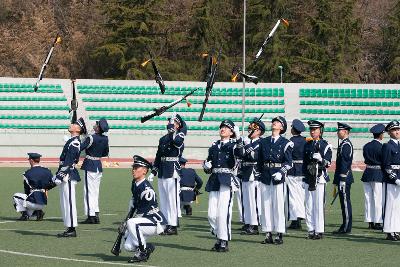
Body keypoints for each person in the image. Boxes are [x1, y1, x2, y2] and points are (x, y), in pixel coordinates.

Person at [203, 119, 240, 252]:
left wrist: (239, 138)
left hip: (226, 180)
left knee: (224, 212)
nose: (222, 129)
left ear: (231, 132)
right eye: (222, 127)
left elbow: (241, 154)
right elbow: (209, 163)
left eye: (226, 127)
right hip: (214, 180)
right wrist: (206, 165)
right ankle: (219, 235)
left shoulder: (234, 145)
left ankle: (223, 241)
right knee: (212, 214)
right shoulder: (214, 146)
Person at [147, 113, 187, 235]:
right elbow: (158, 156)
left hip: (172, 169)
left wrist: (172, 132)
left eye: (173, 121)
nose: (169, 123)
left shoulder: (179, 136)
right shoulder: (163, 138)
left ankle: (173, 225)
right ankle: (164, 223)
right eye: (169, 121)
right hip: (163, 169)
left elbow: (176, 143)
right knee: (163, 199)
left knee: (172, 199)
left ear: (178, 125)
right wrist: (154, 171)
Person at [123, 155, 167, 263]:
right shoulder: (135, 183)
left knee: (132, 223)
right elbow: (134, 206)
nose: (133, 170)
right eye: (133, 168)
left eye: (136, 168)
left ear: (144, 171)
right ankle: (147, 247)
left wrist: (126, 223)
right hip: (146, 221)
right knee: (128, 246)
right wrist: (125, 222)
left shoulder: (146, 189)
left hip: (155, 221)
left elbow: (142, 212)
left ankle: (142, 252)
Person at [258, 116, 293, 245]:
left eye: (277, 122)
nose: (274, 123)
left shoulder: (286, 143)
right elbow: (260, 161)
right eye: (274, 122)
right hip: (265, 176)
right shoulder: (264, 141)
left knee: (278, 206)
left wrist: (281, 172)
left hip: (278, 176)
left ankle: (279, 233)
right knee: (266, 205)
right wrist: (259, 175)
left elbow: (289, 163)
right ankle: (267, 233)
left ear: (282, 127)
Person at [54, 117, 86, 238]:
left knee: (70, 202)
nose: (71, 125)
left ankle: (72, 228)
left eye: (74, 124)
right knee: (65, 202)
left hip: (68, 174)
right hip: (65, 173)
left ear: (78, 129)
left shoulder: (75, 142)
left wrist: (60, 175)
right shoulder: (72, 141)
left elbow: (69, 161)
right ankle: (69, 227)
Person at [303, 120, 332, 239]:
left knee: (319, 205)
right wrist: (303, 177)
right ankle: (310, 229)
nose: (312, 131)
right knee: (309, 205)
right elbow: (305, 162)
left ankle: (319, 230)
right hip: (309, 177)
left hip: (319, 178)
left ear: (320, 131)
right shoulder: (307, 144)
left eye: (315, 129)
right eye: (311, 129)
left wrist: (321, 160)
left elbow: (328, 163)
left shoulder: (326, 145)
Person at [235, 117, 265, 235]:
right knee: (246, 200)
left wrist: (244, 144)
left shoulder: (261, 142)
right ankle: (248, 222)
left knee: (255, 200)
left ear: (259, 131)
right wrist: (239, 141)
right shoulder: (247, 141)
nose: (250, 129)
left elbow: (253, 156)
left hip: (255, 173)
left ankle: (255, 225)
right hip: (245, 172)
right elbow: (239, 154)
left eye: (253, 127)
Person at [80, 118, 110, 224]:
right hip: (98, 165)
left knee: (88, 191)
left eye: (96, 125)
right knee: (95, 192)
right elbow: (105, 153)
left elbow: (80, 147)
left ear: (98, 128)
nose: (95, 126)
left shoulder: (91, 138)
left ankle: (91, 215)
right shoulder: (106, 139)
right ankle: (95, 213)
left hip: (90, 165)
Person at [12, 153, 54, 221]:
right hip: (43, 202)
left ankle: (25, 215)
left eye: (29, 159)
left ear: (31, 160)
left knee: (16, 196)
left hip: (33, 201)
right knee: (30, 202)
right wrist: (45, 189)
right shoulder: (47, 170)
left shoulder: (27, 173)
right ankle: (38, 212)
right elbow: (52, 183)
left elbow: (27, 190)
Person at [361, 123, 385, 230]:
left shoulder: (366, 146)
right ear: (381, 135)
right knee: (378, 198)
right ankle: (378, 221)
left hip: (367, 173)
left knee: (368, 198)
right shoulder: (382, 147)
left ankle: (369, 221)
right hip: (378, 174)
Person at [333, 122, 354, 234]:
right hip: (342, 178)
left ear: (345, 131)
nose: (337, 132)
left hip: (344, 178)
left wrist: (342, 178)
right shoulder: (343, 144)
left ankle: (346, 227)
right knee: (343, 202)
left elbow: (345, 163)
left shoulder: (346, 145)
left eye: (339, 130)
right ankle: (344, 225)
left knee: (345, 203)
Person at [382, 120, 400, 241]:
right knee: (390, 205)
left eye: (398, 129)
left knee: (398, 206)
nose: (397, 131)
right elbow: (386, 166)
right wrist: (396, 179)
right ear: (389, 132)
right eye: (394, 130)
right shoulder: (387, 146)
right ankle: (389, 231)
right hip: (391, 180)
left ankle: (396, 229)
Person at [287, 119, 306, 229]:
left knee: (293, 196)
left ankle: (295, 220)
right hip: (302, 170)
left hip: (293, 170)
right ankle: (299, 218)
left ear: (294, 129)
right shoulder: (305, 141)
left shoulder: (291, 141)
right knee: (301, 195)